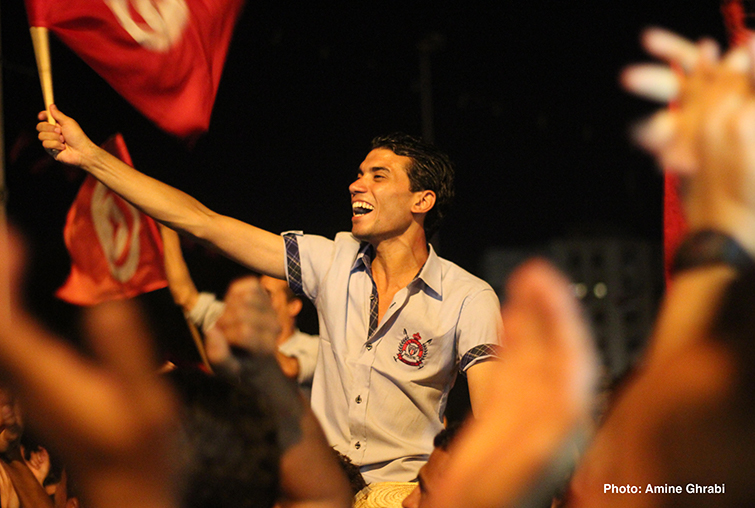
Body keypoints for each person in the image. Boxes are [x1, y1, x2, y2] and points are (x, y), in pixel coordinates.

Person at [36, 118, 504, 483]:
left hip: (403, 493)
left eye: (377, 176)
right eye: (358, 175)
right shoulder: (331, 259)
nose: (356, 185)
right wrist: (92, 158)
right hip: (319, 488)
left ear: (422, 201)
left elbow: (492, 426)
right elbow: (206, 224)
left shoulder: (469, 298)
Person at [160, 225, 320, 397]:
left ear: (293, 306)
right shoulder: (238, 322)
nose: (259, 300)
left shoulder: (314, 347)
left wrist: (247, 333)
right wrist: (167, 230)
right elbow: (185, 296)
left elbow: (288, 370)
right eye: (258, 293)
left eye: (268, 294)